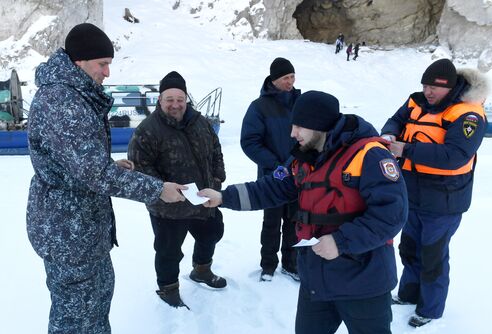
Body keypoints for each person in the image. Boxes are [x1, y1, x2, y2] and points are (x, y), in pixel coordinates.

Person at [200, 91, 408, 334]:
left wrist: (341, 242)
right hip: (316, 279)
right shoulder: (302, 157)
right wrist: (224, 197)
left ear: (320, 125)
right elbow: (271, 187)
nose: (292, 133)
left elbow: (392, 214)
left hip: (363, 282)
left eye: (299, 126)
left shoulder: (370, 155)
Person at [26, 23, 186, 333]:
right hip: (68, 234)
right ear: (79, 62)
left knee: (96, 305)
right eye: (103, 64)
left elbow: (83, 162)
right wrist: (157, 189)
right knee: (75, 319)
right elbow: (94, 173)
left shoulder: (76, 95)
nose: (107, 73)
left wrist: (109, 165)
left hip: (84, 230)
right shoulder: (62, 102)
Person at [381, 58, 489, 327]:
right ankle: (408, 294)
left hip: (444, 199)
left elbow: (454, 155)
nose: (429, 92)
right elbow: (395, 120)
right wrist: (390, 135)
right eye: (426, 85)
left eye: (435, 88)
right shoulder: (416, 102)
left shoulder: (469, 115)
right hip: (411, 193)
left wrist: (405, 150)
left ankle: (430, 309)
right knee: (409, 248)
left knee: (433, 255)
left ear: (450, 88)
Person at [128, 71, 227, 309]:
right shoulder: (147, 130)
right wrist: (161, 189)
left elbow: (216, 151)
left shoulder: (200, 122)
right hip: (168, 207)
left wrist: (216, 179)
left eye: (179, 99)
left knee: (212, 233)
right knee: (168, 251)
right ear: (160, 100)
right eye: (169, 99)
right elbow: (139, 168)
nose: (175, 104)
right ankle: (168, 288)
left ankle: (202, 270)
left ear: (186, 99)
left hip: (202, 200)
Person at [240, 57, 301, 282]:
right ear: (274, 80)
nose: (290, 81)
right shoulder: (259, 107)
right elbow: (250, 142)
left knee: (295, 221)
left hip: (299, 175)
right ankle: (268, 265)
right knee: (272, 222)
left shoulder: (301, 102)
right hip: (272, 177)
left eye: (292, 76)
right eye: (286, 77)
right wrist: (276, 165)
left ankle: (291, 263)